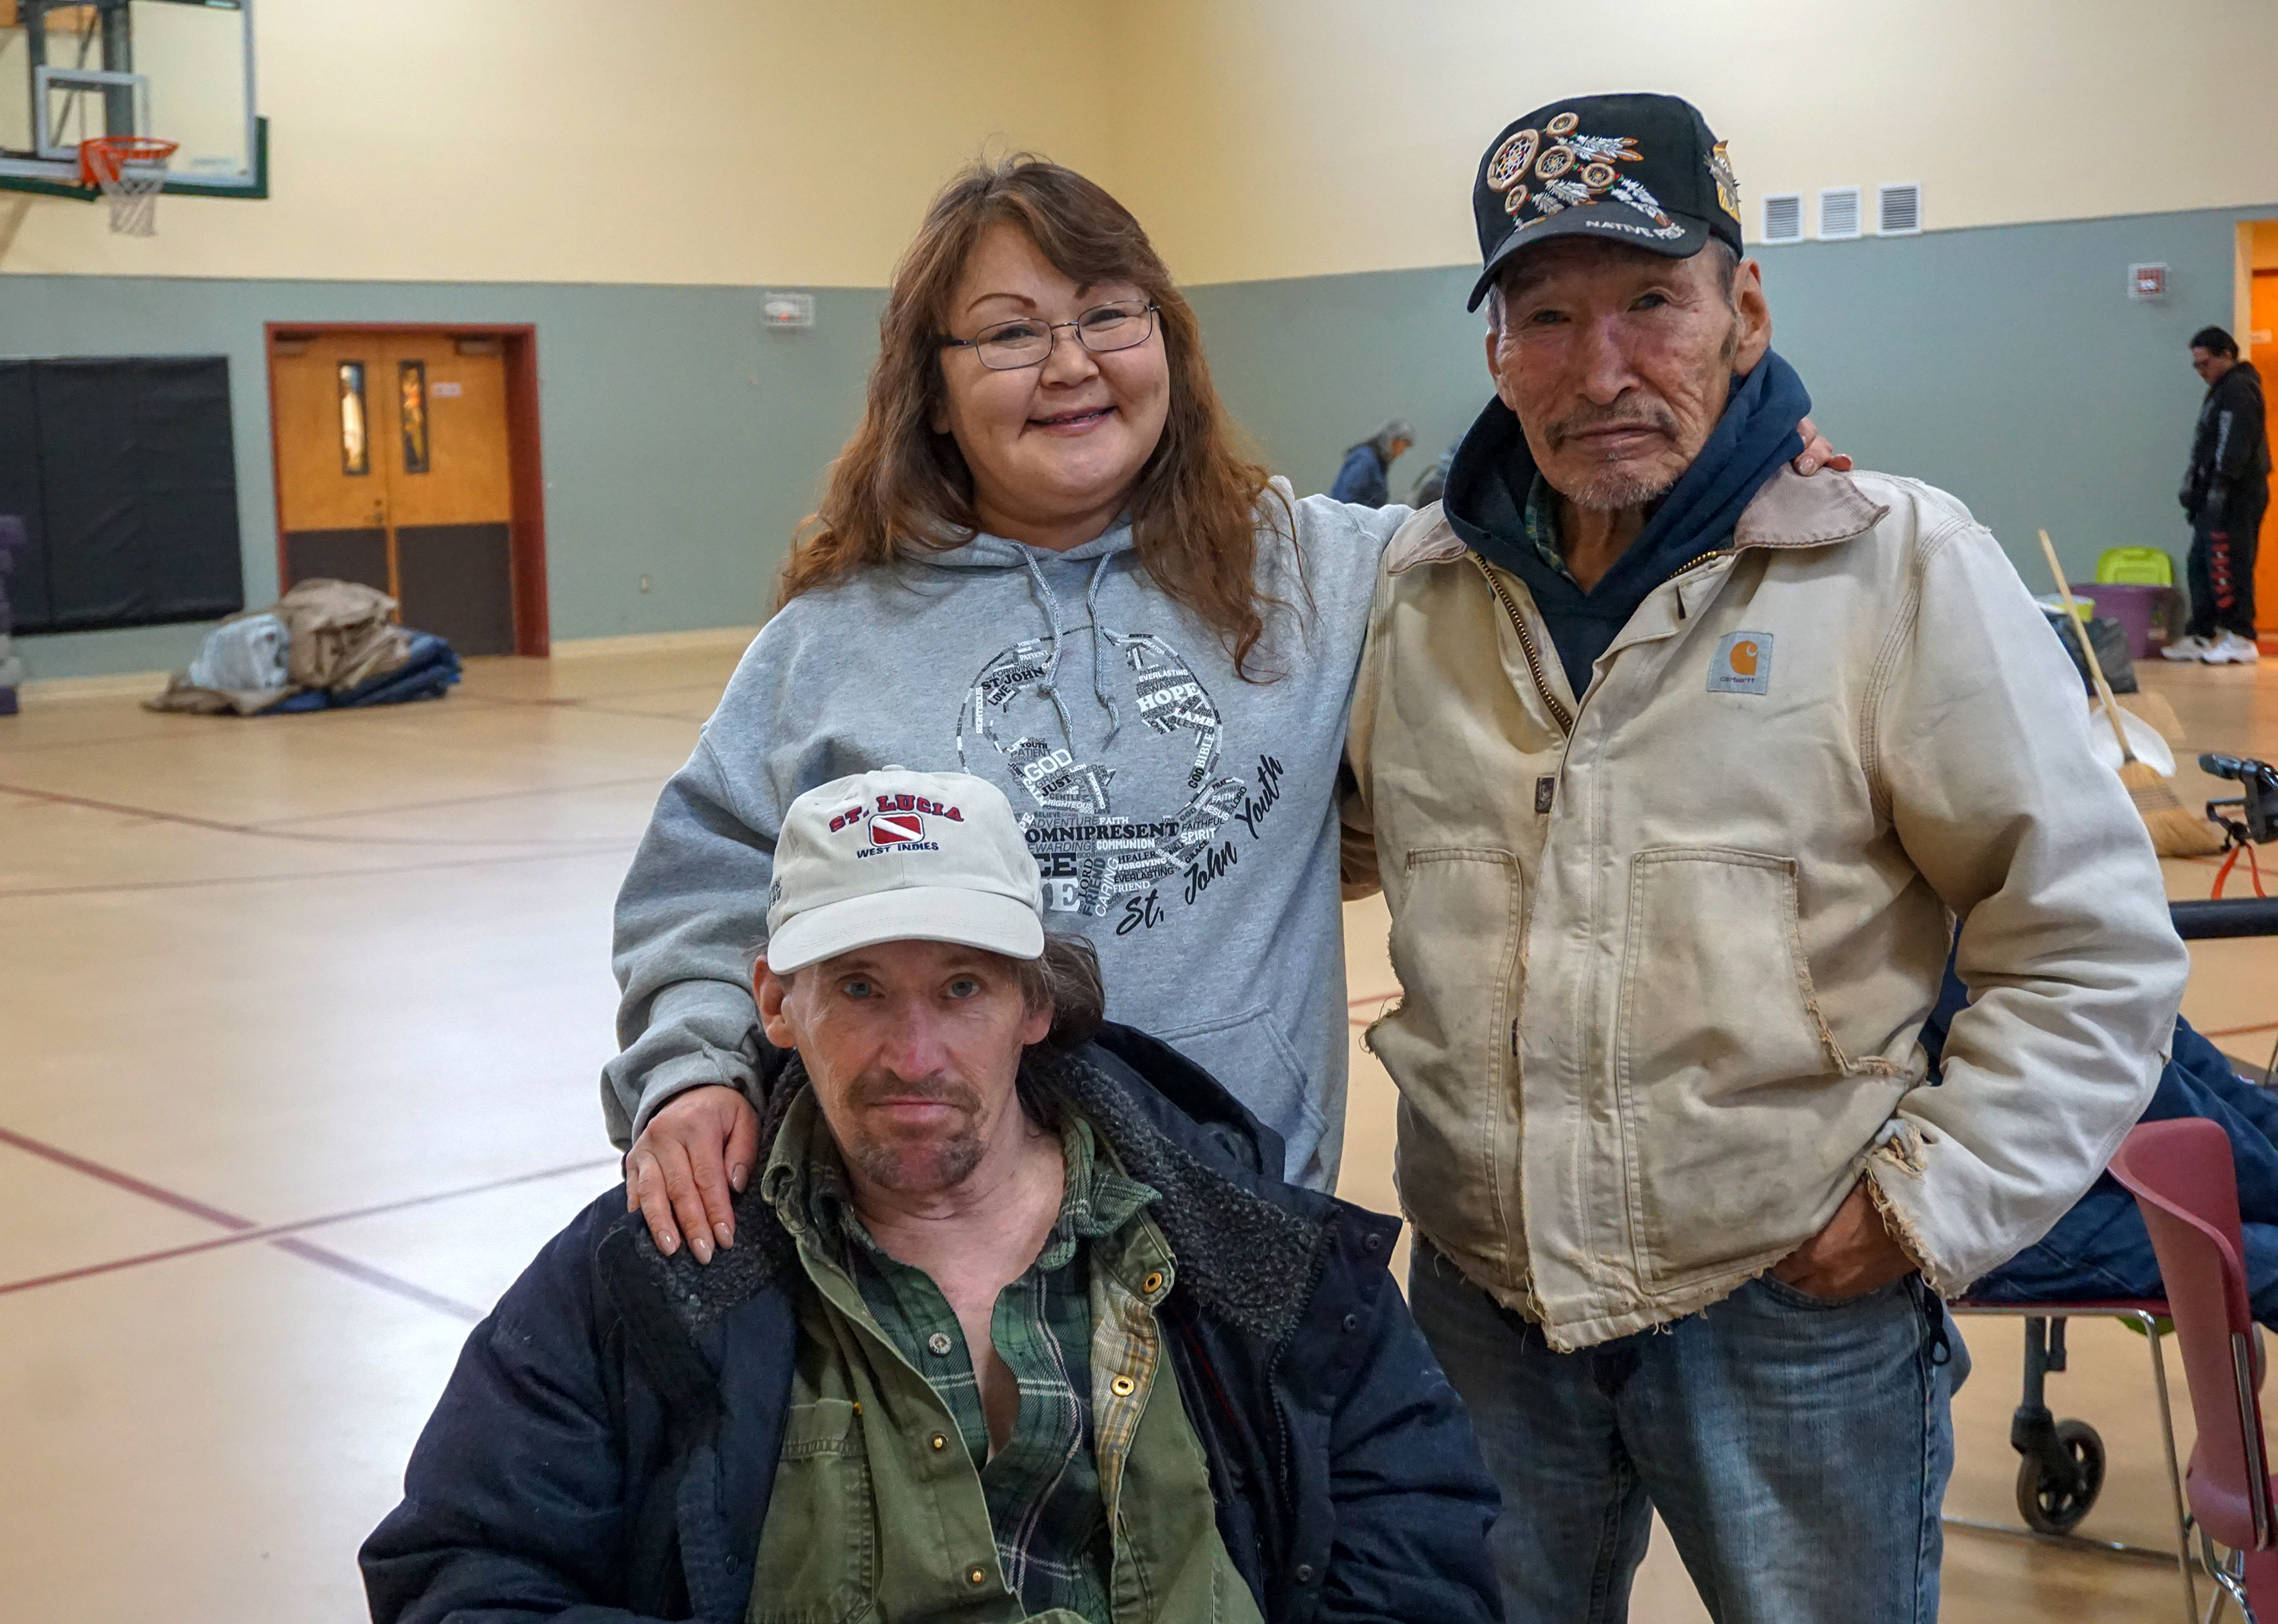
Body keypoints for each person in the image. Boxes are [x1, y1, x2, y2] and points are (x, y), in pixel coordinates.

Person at [607, 155, 1838, 1269]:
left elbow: (1550, 499)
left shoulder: (1318, 573)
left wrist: (1746, 446)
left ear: (1169, 344)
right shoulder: (832, 639)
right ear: (929, 391)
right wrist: (689, 1073)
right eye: (1008, 333)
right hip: (923, 1240)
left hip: (1234, 1233)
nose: (1071, 362)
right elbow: (706, 888)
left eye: (1107, 314)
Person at [1339, 93, 2190, 1622]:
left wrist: (1926, 1206)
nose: (1603, 369)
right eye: (1549, 315)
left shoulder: (1894, 564)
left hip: (1789, 1304)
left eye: (1652, 302)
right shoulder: (1419, 594)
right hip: (1482, 1306)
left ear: (1744, 307)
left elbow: (2087, 939)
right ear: (1497, 349)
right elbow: (1305, 831)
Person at [362, 768, 1503, 1624]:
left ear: (1038, 999)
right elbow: (464, 1573)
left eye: (962, 986)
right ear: (774, 1000)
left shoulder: (1254, 1255)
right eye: (858, 987)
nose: (913, 1052)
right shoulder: (646, 1272)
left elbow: (1428, 1547)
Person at [2166, 325, 2267, 664]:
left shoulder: (2239, 389)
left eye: (2205, 363)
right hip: (2213, 491)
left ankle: (2240, 636)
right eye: (2196, 365)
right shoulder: (2222, 389)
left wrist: (2221, 486)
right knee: (2201, 563)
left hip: (2234, 493)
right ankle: (2201, 633)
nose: (2200, 372)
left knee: (2229, 561)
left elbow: (2233, 441)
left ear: (2226, 355)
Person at [1328, 418, 1415, 506]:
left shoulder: (1377, 462)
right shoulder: (1366, 459)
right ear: (1393, 441)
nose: (1402, 452)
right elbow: (1344, 497)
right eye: (1402, 446)